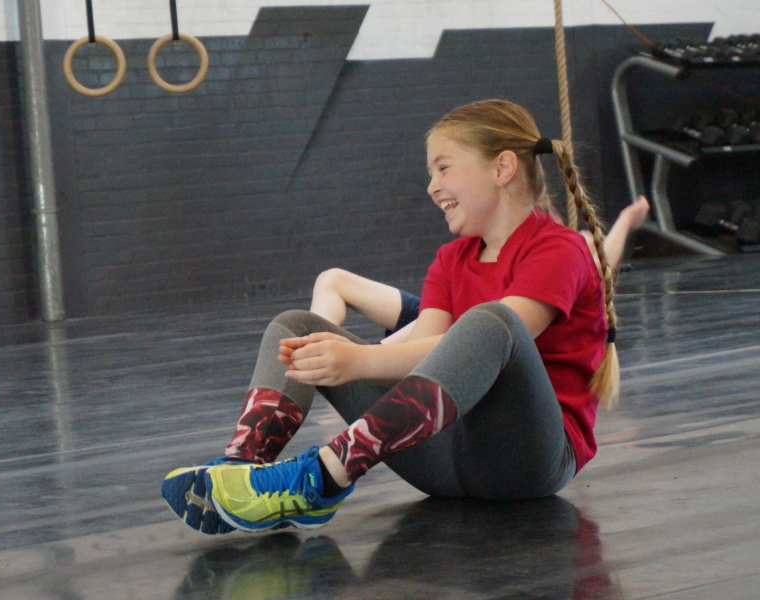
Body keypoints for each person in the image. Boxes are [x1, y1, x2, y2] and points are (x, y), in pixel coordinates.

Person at [162, 98, 620, 535]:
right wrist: (347, 358)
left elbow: (504, 332)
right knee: (296, 325)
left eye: (443, 167)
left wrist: (360, 361)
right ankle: (241, 473)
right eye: (430, 173)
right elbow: (423, 353)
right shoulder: (450, 260)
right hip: (442, 462)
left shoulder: (559, 250)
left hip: (526, 462)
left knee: (494, 321)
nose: (432, 186)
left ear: (502, 168)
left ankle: (322, 478)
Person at [308, 196, 649, 344]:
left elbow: (602, 262)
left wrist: (624, 221)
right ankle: (312, 345)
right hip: (444, 316)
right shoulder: (474, 251)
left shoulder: (564, 252)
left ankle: (334, 358)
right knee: (333, 280)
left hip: (465, 329)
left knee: (389, 351)